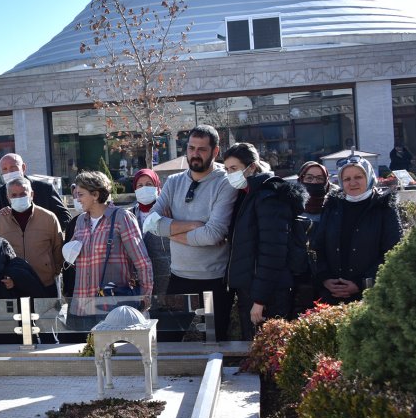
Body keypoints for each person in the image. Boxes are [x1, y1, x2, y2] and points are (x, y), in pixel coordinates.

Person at [139, 125, 238, 336]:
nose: (195, 154)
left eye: (202, 149)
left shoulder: (225, 183)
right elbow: (151, 224)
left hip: (215, 279)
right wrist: (194, 225)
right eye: (191, 148)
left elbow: (213, 235)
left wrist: (171, 229)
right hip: (179, 277)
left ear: (215, 151)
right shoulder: (173, 182)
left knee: (214, 342)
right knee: (168, 339)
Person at [222, 143, 301, 338]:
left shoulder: (269, 197)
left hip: (267, 294)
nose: (230, 174)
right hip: (251, 289)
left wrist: (259, 299)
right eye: (227, 169)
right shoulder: (248, 195)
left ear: (253, 167)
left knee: (268, 354)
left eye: (234, 169)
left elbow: (272, 252)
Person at [311, 157, 402, 304]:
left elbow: (393, 252)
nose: (352, 183)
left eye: (358, 177)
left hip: (371, 296)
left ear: (369, 176)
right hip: (332, 295)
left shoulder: (384, 207)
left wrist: (361, 283)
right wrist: (325, 278)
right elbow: (318, 246)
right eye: (347, 179)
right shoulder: (333, 206)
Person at [67, 171, 153, 324]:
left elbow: (142, 262)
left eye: (81, 194)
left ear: (95, 195)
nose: (77, 199)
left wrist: (144, 298)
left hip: (114, 308)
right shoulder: (80, 221)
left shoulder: (121, 217)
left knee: (115, 348)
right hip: (81, 308)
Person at [0, 176, 63, 297]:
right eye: (14, 195)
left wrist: (53, 272)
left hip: (46, 284)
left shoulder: (48, 218)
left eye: (23, 194)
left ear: (31, 194)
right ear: (8, 197)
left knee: (47, 316)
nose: (18, 198)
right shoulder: (0, 220)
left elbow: (58, 248)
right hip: (14, 285)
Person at [0, 153, 71, 234]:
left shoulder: (45, 189)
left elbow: (65, 217)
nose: (9, 172)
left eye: (13, 167)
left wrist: (48, 231)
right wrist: (0, 217)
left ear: (23, 167)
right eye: (5, 169)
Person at [129, 168, 171, 297]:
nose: (144, 188)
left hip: (166, 275)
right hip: (139, 278)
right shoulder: (129, 214)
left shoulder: (168, 210)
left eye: (148, 184)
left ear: (157, 186)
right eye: (140, 185)